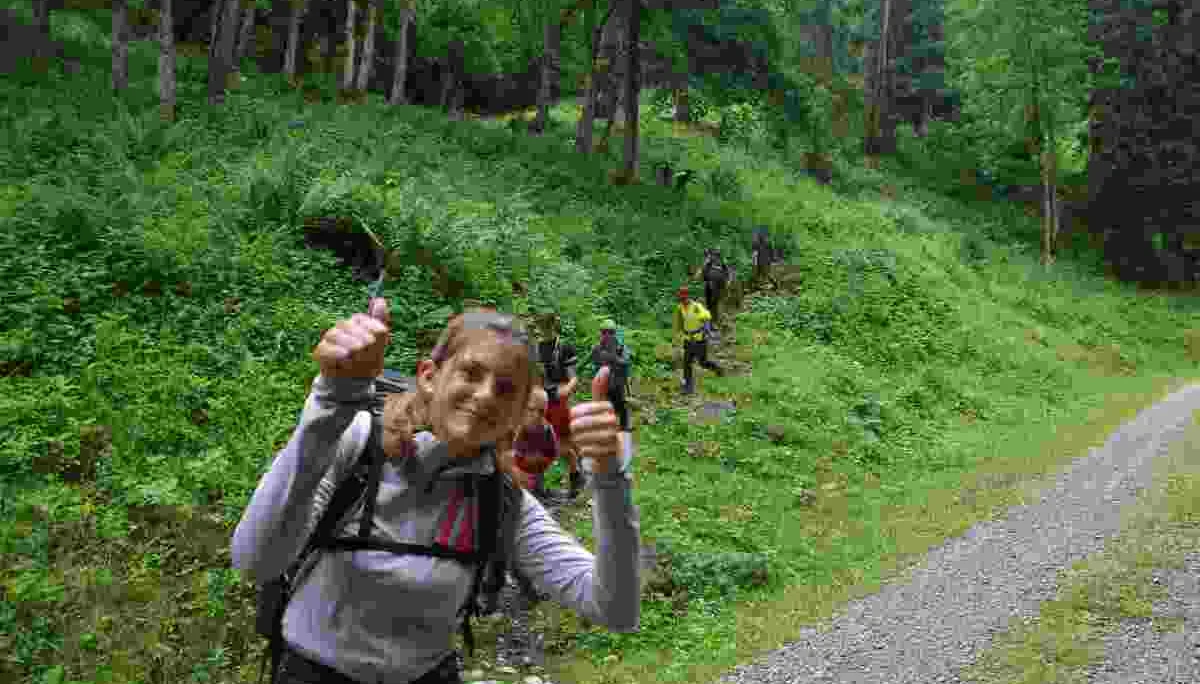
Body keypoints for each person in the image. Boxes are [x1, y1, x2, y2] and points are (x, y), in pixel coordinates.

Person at [232, 301, 640, 684]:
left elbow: (615, 609)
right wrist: (329, 402)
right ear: (429, 376)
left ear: (518, 414)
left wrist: (609, 479)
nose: (485, 395)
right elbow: (256, 561)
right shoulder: (353, 445)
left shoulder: (501, 500)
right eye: (471, 373)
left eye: (505, 389)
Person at [534, 312, 585, 500]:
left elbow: (574, 379)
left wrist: (567, 390)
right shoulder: (537, 348)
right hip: (541, 401)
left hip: (558, 400)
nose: (542, 329)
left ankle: (575, 477)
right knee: (537, 442)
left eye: (545, 326)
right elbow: (536, 377)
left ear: (553, 326)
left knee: (561, 445)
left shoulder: (564, 347)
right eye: (541, 326)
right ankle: (537, 487)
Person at [511, 385, 559, 503]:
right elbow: (510, 452)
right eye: (531, 410)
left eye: (541, 411)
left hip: (537, 465)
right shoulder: (517, 426)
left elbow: (552, 451)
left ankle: (538, 491)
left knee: (537, 477)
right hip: (519, 466)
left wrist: (545, 459)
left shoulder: (546, 428)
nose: (536, 415)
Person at [672, 286, 722, 396]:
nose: (683, 300)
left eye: (684, 298)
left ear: (688, 297)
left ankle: (718, 369)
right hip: (688, 340)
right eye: (681, 298)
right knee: (687, 364)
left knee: (702, 362)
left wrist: (706, 329)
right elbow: (679, 324)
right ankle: (688, 387)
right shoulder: (679, 308)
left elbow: (707, 316)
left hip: (700, 339)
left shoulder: (696, 306)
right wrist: (676, 338)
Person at [590, 318, 632, 432]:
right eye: (604, 332)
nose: (607, 335)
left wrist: (614, 358)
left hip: (618, 383)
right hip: (603, 385)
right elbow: (594, 363)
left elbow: (626, 362)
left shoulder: (621, 347)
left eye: (611, 332)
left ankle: (625, 428)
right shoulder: (597, 348)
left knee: (622, 404)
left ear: (615, 333)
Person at [700, 248, 731, 324]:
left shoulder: (721, 264)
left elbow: (728, 274)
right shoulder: (709, 264)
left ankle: (717, 319)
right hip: (711, 287)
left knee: (716, 303)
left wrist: (727, 282)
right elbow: (703, 275)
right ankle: (713, 320)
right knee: (712, 303)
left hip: (717, 287)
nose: (714, 257)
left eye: (715, 256)